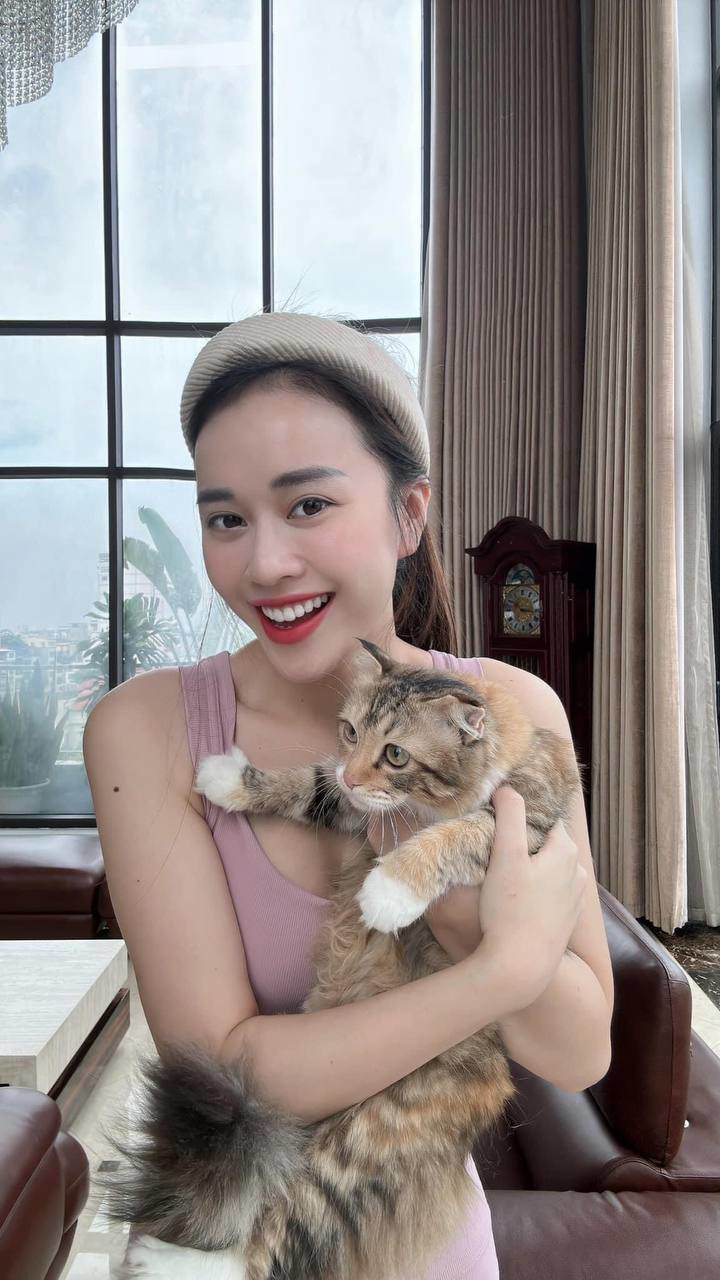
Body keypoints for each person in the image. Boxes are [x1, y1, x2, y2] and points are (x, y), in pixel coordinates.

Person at [84, 311, 605, 1280]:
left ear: (409, 514)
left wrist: (452, 908)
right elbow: (226, 1072)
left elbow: (580, 1050)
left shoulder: (512, 712)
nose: (264, 564)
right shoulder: (147, 730)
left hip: (422, 1248)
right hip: (225, 1250)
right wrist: (503, 967)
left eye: (310, 504)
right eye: (226, 518)